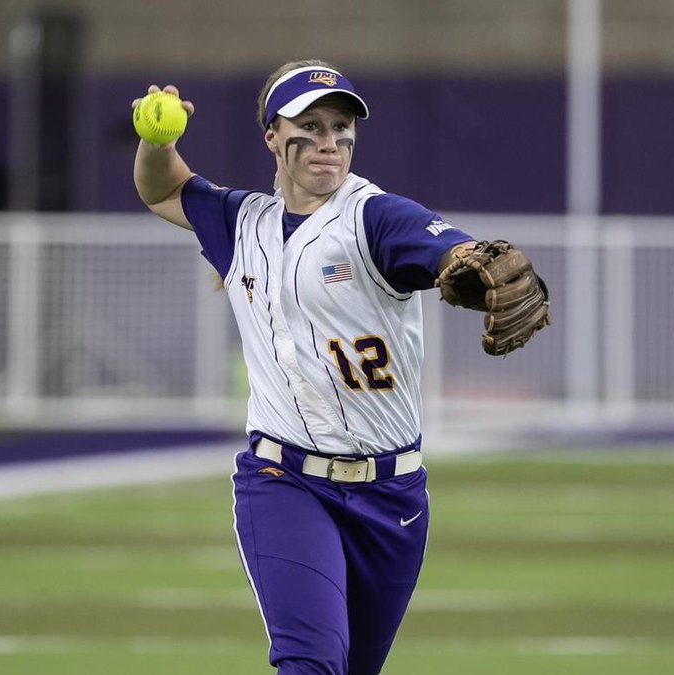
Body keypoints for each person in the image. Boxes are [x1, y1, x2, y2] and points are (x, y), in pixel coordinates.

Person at [133, 59, 548, 675]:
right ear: (273, 134)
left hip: (392, 495)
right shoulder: (241, 222)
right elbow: (162, 188)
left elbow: (449, 249)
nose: (329, 141)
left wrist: (464, 261)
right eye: (311, 125)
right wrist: (156, 140)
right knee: (311, 664)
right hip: (285, 482)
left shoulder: (373, 217)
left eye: (341, 127)